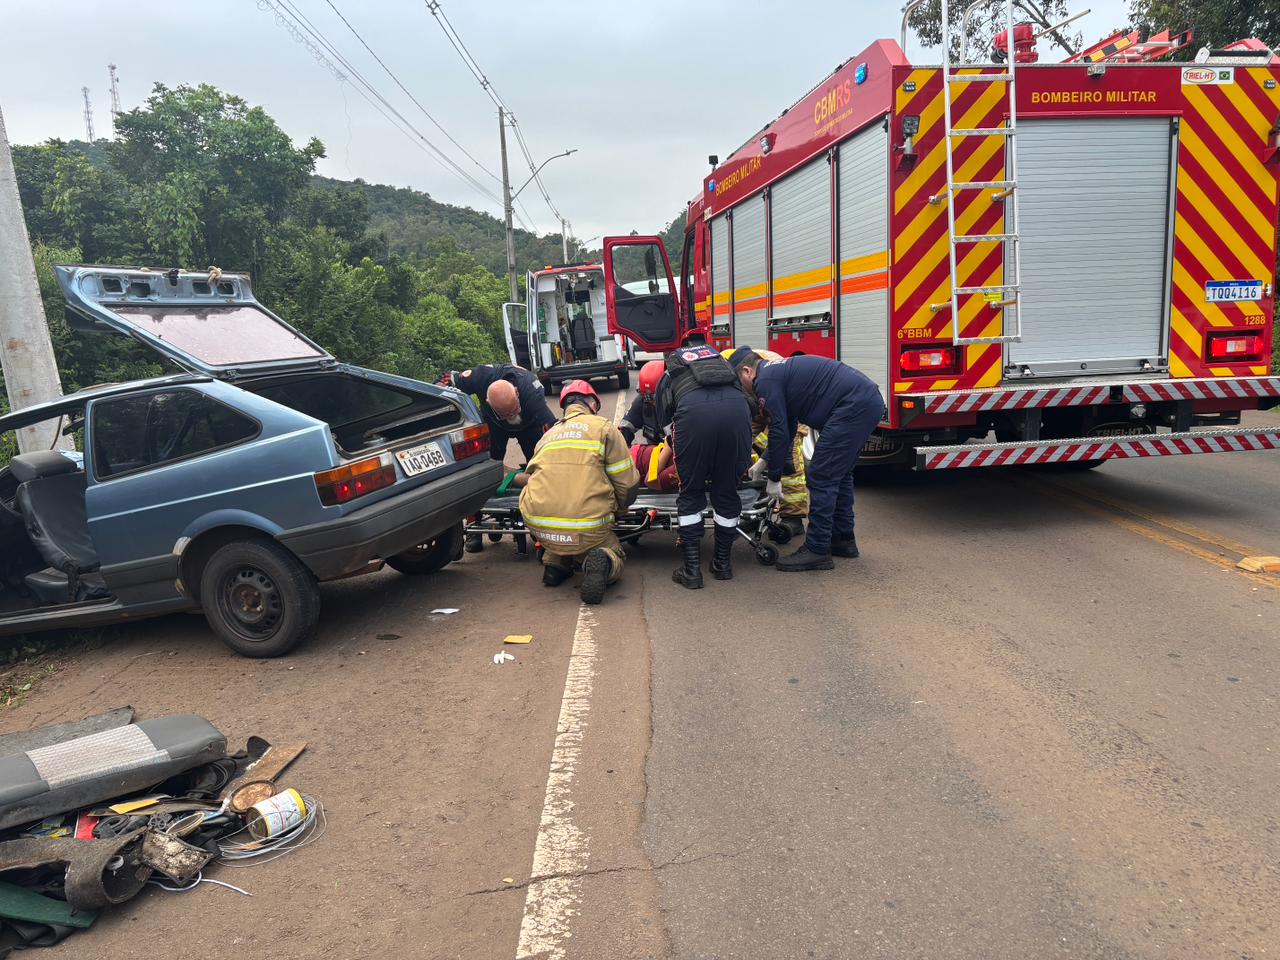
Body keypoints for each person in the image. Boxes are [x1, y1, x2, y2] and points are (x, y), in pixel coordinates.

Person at [731, 348, 882, 572]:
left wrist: (774, 478)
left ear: (746, 371)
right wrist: (764, 461)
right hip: (865, 402)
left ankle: (817, 550)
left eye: (739, 383)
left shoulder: (764, 382)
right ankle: (842, 539)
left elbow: (780, 430)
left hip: (853, 406)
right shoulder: (777, 373)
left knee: (821, 476)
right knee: (839, 475)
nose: (743, 390)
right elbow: (788, 425)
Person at [517, 380, 640, 604]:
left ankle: (554, 564)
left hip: (539, 525)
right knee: (607, 548)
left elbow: (533, 476)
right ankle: (604, 561)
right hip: (588, 526)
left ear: (564, 406)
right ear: (592, 403)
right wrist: (619, 510)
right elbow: (627, 483)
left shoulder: (548, 435)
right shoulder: (603, 428)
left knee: (563, 539)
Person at [658, 341, 752, 588]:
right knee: (727, 490)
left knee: (691, 491)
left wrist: (678, 442)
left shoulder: (672, 369)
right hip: (737, 414)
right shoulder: (722, 362)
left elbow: (665, 418)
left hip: (694, 417)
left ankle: (691, 571)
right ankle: (722, 565)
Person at [449, 364, 556, 464]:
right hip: (495, 424)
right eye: (506, 415)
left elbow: (553, 429)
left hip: (528, 424)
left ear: (516, 393)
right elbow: (446, 380)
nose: (511, 416)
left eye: (514, 411)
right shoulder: (480, 377)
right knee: (492, 462)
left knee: (539, 460)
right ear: (488, 402)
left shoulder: (532, 395)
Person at [618, 360, 666, 446]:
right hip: (654, 452)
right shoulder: (642, 402)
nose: (650, 401)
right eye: (646, 396)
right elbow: (625, 428)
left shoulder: (681, 405)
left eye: (654, 396)